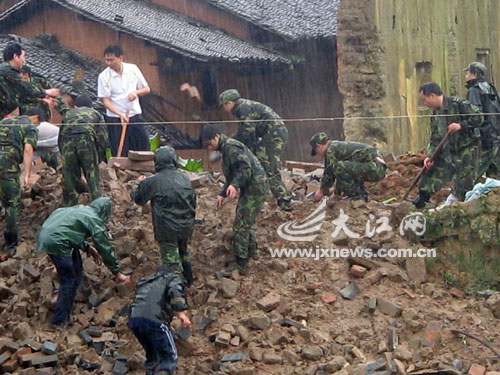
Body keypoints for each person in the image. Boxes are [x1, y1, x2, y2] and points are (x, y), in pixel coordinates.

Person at [36, 197, 130, 329]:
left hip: (47, 235)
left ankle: (77, 293)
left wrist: (87, 248)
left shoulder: (81, 209)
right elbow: (105, 248)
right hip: (57, 241)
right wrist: (117, 272)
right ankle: (59, 321)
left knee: (76, 265)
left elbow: (69, 231)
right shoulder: (94, 219)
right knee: (68, 280)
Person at [201, 125, 269, 274]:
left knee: (240, 225)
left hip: (255, 188)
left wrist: (235, 185)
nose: (209, 147)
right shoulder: (226, 150)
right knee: (246, 220)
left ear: (216, 136)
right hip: (251, 187)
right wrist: (222, 193)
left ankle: (241, 263)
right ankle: (252, 251)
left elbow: (245, 169)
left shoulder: (231, 147)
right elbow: (232, 175)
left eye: (209, 143)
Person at [130, 146, 196, 286]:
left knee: (171, 263)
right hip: (186, 226)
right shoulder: (185, 179)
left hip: (167, 229)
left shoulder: (153, 181)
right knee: (183, 253)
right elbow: (193, 201)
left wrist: (138, 184)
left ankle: (178, 296)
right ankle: (189, 282)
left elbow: (138, 199)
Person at [412, 82, 484, 208]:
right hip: (448, 150)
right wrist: (430, 157)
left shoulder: (458, 104)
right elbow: (435, 138)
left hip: (466, 149)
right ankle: (423, 197)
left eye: (425, 100)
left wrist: (461, 125)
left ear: (432, 95)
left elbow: (480, 117)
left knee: (463, 178)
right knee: (431, 170)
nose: (424, 104)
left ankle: (459, 201)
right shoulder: (435, 114)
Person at [219, 89, 293, 211]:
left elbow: (248, 133)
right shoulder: (242, 108)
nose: (224, 109)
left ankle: (284, 201)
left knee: (268, 166)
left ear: (229, 103)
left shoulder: (243, 108)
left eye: (224, 105)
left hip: (273, 135)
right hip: (269, 135)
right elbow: (241, 132)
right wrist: (230, 142)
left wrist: (243, 151)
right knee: (261, 163)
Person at [129, 264, 191, 375]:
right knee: (167, 358)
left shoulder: (145, 282)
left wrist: (166, 322)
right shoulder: (171, 277)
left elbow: (145, 303)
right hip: (155, 319)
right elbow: (175, 289)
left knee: (153, 359)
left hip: (135, 320)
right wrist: (181, 312)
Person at [0, 107, 43, 260]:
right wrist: (27, 173)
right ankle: (11, 244)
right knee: (12, 204)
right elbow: (28, 149)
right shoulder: (30, 127)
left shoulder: (5, 120)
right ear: (36, 118)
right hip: (7, 165)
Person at [97, 45, 150, 156]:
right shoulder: (103, 76)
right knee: (120, 150)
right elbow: (105, 101)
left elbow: (146, 89)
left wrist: (136, 93)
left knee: (142, 145)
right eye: (106, 60)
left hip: (134, 115)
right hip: (115, 118)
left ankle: (143, 171)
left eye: (111, 60)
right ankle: (122, 172)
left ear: (120, 58)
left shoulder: (133, 69)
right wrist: (119, 114)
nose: (108, 63)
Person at [59, 94, 110, 206]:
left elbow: (60, 137)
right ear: (91, 106)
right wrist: (99, 157)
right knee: (92, 174)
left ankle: (70, 206)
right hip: (86, 139)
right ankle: (97, 205)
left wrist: (63, 155)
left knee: (69, 175)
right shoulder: (96, 114)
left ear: (76, 106)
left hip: (68, 140)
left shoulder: (68, 113)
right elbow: (103, 139)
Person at [310, 132, 387, 202]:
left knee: (338, 166)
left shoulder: (331, 150)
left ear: (318, 147)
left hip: (374, 168)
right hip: (377, 168)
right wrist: (337, 193)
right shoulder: (336, 146)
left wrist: (322, 191)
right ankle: (362, 194)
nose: (319, 155)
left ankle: (355, 196)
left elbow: (329, 173)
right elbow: (342, 174)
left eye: (316, 152)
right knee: (344, 168)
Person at [0, 42, 60, 118]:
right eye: (23, 56)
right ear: (15, 56)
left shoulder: (6, 71)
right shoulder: (7, 71)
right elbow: (27, 87)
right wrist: (47, 92)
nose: (24, 60)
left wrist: (42, 98)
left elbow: (22, 94)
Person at [464, 62, 500, 179]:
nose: (466, 75)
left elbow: (476, 115)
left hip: (483, 137)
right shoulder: (491, 88)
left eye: (468, 72)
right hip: (495, 135)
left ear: (474, 74)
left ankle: (463, 194)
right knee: (494, 171)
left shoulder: (474, 90)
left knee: (474, 172)